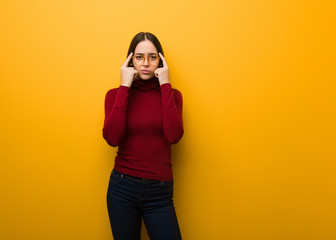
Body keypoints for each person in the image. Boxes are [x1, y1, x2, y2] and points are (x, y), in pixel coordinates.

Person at [102, 32, 184, 240]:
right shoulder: (115, 94)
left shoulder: (173, 95)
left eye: (152, 57)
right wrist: (125, 86)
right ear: (130, 61)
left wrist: (165, 84)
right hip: (122, 188)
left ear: (160, 60)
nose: (145, 63)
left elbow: (173, 135)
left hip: (160, 192)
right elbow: (112, 138)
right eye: (139, 57)